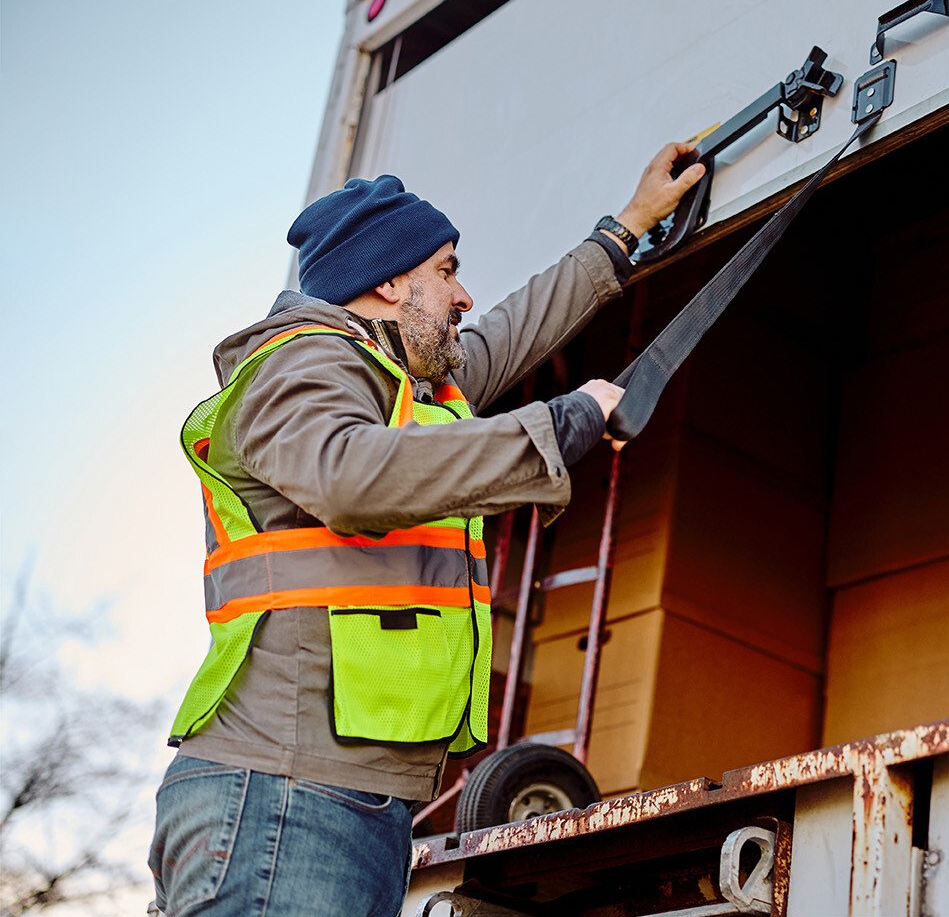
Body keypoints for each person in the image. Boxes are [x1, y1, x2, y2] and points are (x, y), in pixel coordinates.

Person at [147, 144, 705, 916]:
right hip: (283, 798)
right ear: (389, 281)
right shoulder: (301, 364)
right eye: (447, 270)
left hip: (342, 804)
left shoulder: (398, 384)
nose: (465, 293)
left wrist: (628, 227)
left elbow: (511, 330)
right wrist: (564, 421)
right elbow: (346, 473)